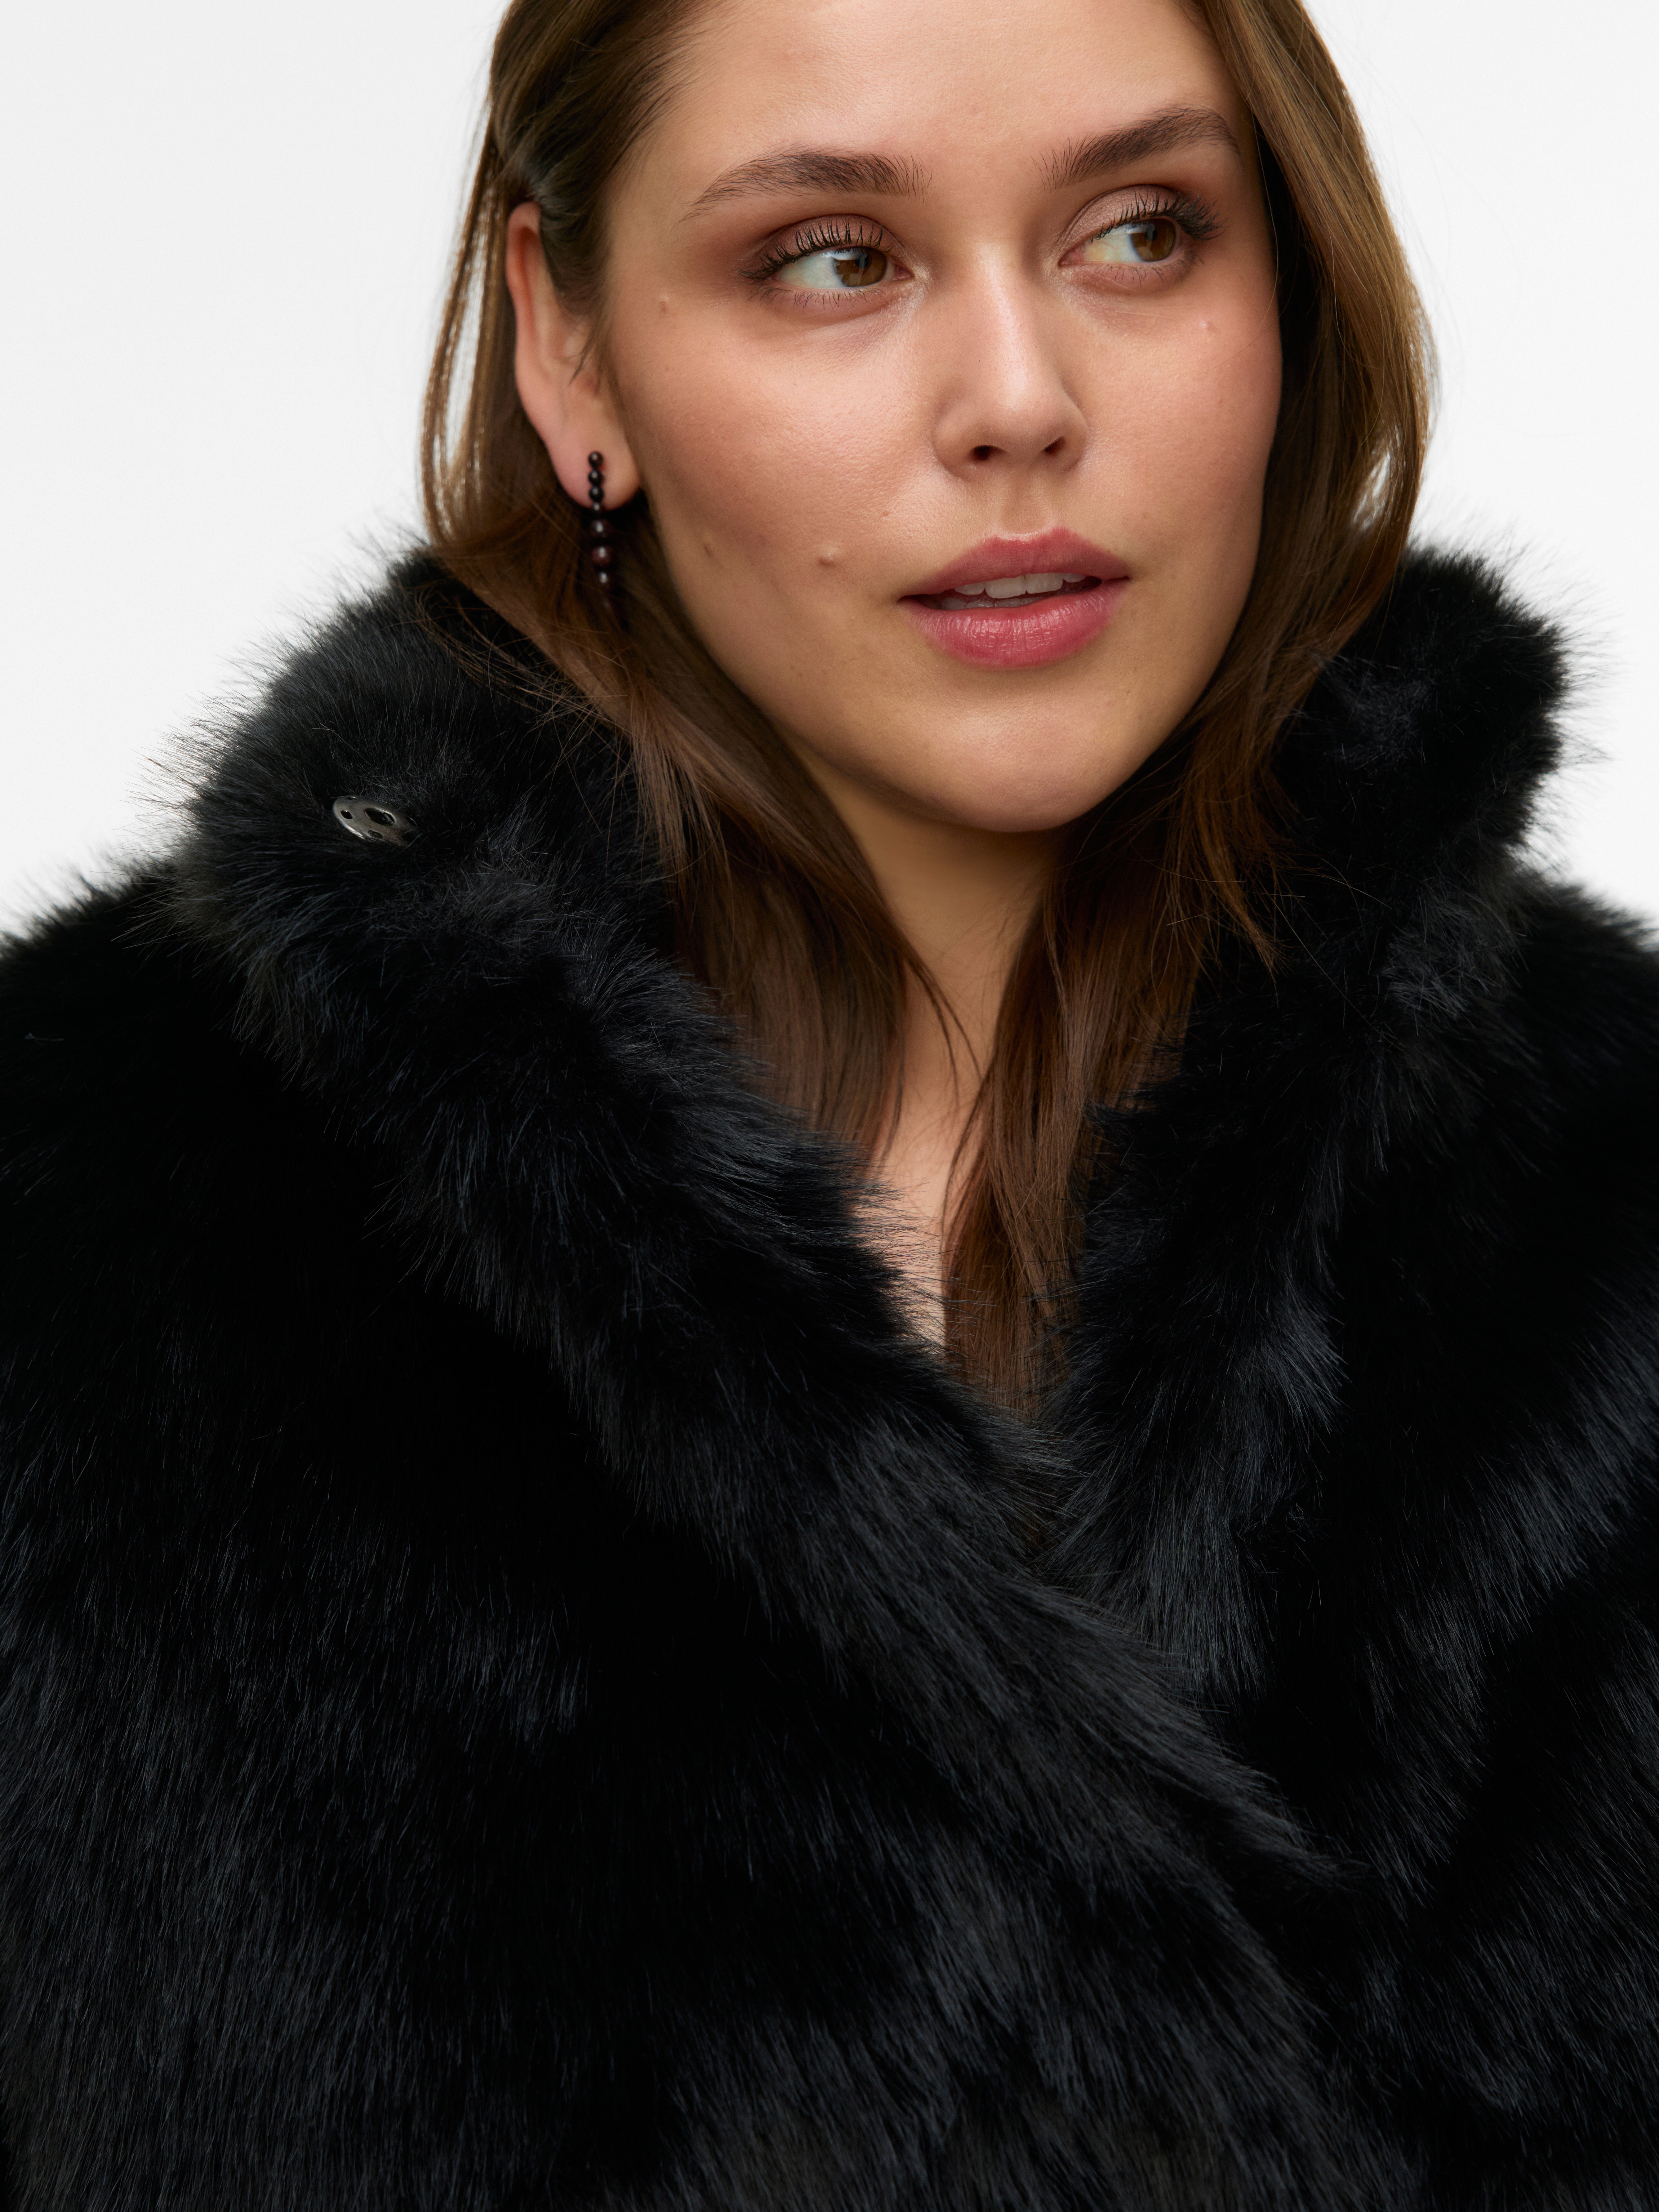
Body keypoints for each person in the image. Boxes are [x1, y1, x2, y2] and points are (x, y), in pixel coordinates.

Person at [1, 0, 1655, 2201]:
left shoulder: (1622, 1201)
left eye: (1142, 231)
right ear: (571, 354)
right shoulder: (69, 1225)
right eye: (830, 260)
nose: (1018, 399)